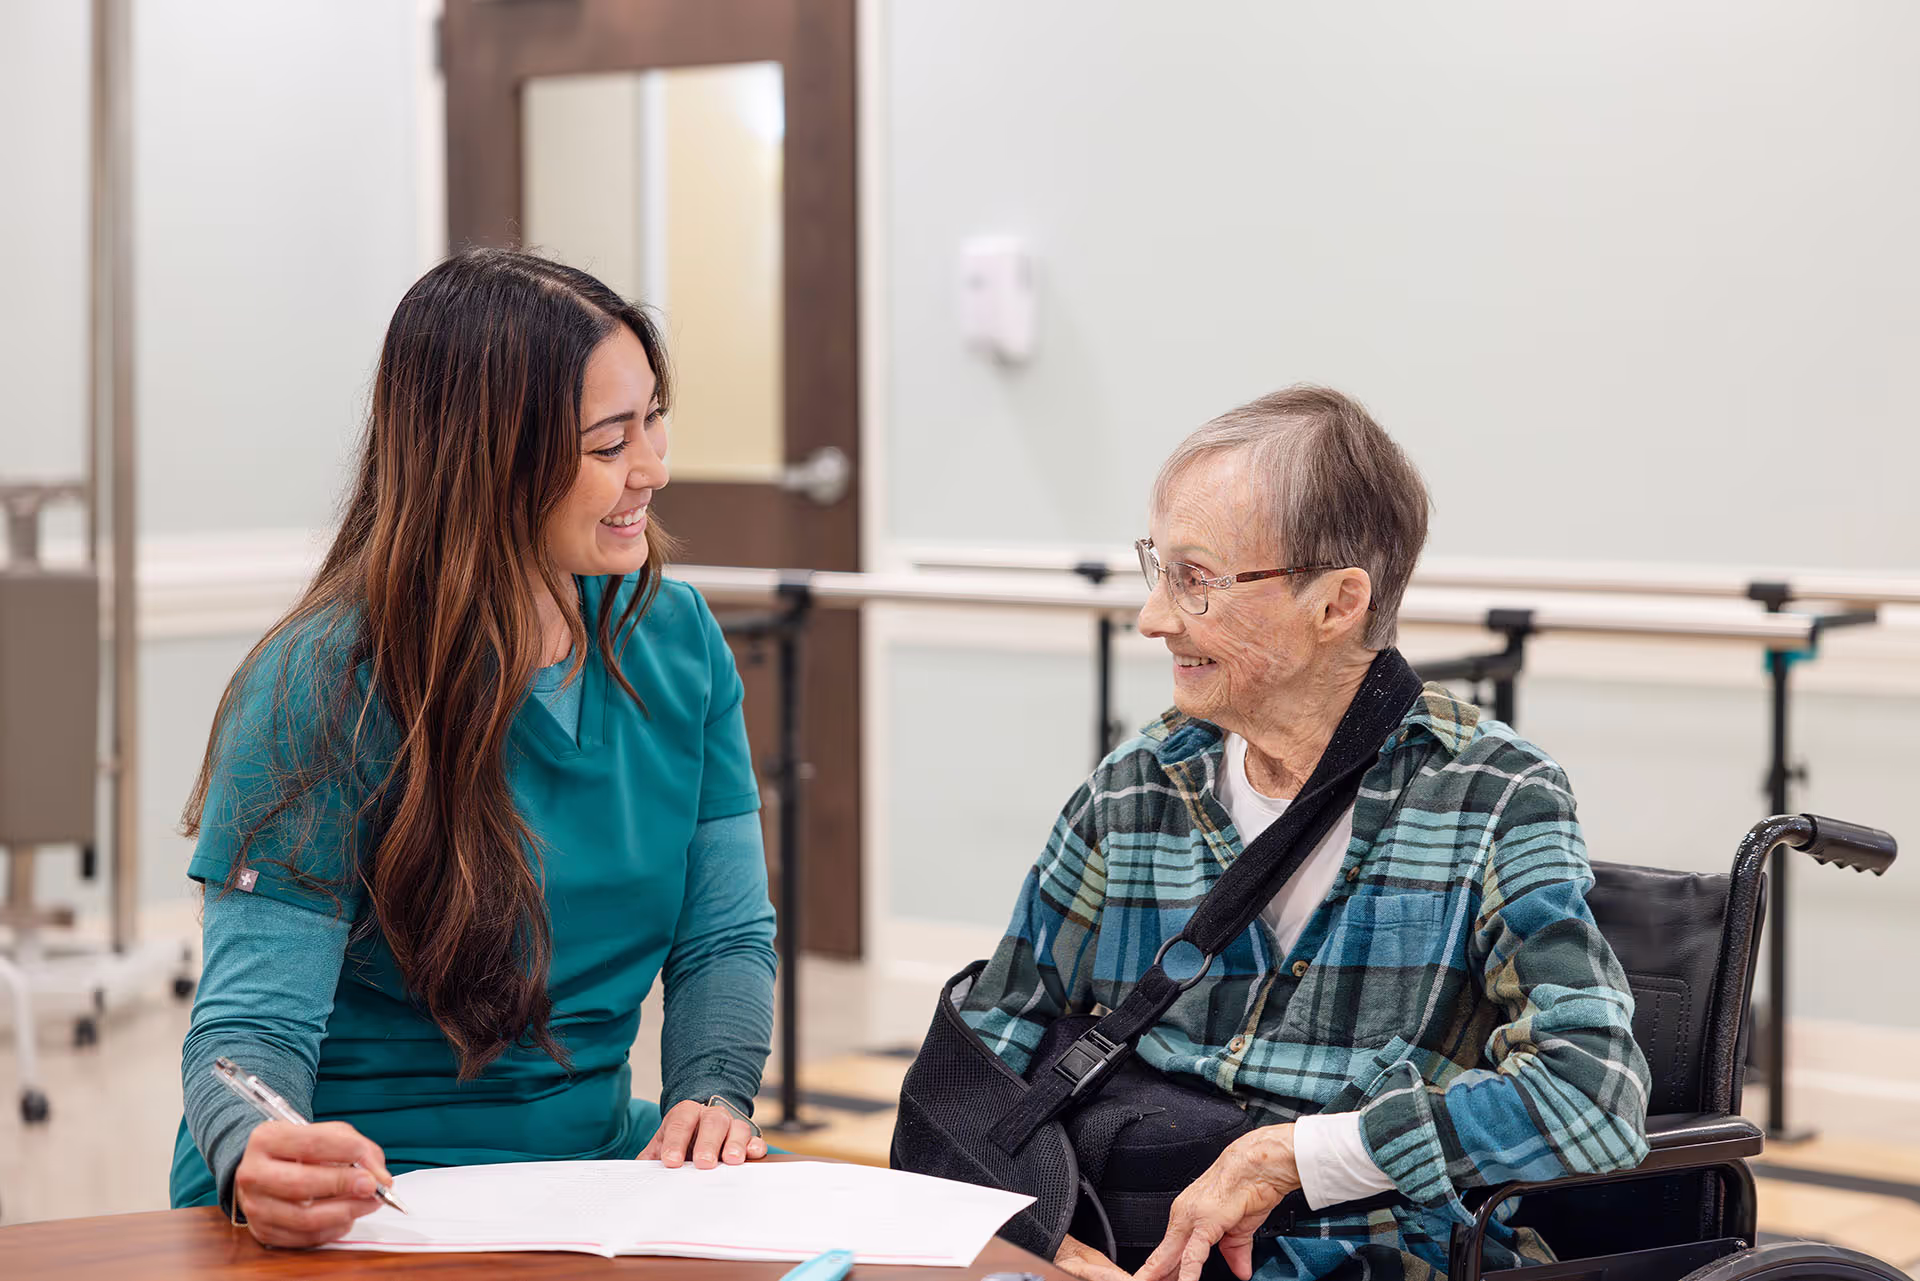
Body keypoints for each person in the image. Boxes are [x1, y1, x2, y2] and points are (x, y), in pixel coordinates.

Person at [961, 386, 1650, 1281]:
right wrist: (1042, 1237)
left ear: (1337, 603)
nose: (1154, 617)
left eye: (1197, 579)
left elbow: (1594, 1098)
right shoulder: (1138, 783)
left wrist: (1291, 1154)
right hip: (1107, 1239)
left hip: (1359, 1256)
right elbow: (981, 1054)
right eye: (1158, 568)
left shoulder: (1491, 794)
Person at [169, 249, 778, 1247]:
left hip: (593, 1173)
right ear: (488, 460)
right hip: (371, 1198)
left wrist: (713, 1098)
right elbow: (250, 1036)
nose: (654, 468)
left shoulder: (679, 639)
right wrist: (253, 1147)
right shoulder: (316, 686)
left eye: (653, 420)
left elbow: (724, 939)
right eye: (608, 442)